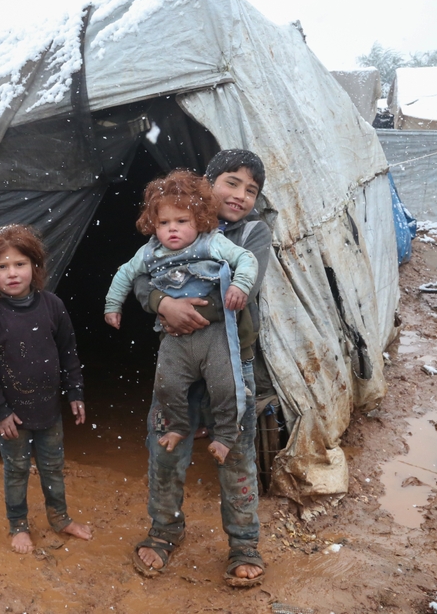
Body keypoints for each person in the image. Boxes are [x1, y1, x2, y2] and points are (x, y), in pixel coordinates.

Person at [131, 150, 272, 588]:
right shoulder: (173, 226)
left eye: (251, 190)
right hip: (178, 359)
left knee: (235, 452)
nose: (241, 195)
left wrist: (190, 310)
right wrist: (161, 303)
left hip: (231, 361)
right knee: (166, 446)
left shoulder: (252, 232)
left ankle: (244, 544)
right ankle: (165, 529)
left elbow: (243, 289)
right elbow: (138, 277)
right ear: (206, 184)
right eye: (231, 182)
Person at [103, 169, 258, 465]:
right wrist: (113, 305)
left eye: (182, 221)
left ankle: (225, 436)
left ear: (199, 220)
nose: (172, 229)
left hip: (214, 336)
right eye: (164, 223)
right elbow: (126, 274)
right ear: (153, 225)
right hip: (174, 337)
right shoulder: (150, 253)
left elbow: (246, 259)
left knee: (226, 385)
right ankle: (178, 427)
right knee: (167, 385)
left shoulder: (211, 243)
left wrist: (240, 284)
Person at [0, 223, 93, 554]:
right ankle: (18, 525)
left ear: (35, 267)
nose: (12, 273)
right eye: (2, 266)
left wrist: (75, 392)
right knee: (17, 470)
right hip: (12, 415)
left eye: (20, 264)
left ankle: (60, 518)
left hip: (48, 409)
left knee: (53, 465)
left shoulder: (52, 306)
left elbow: (68, 352)